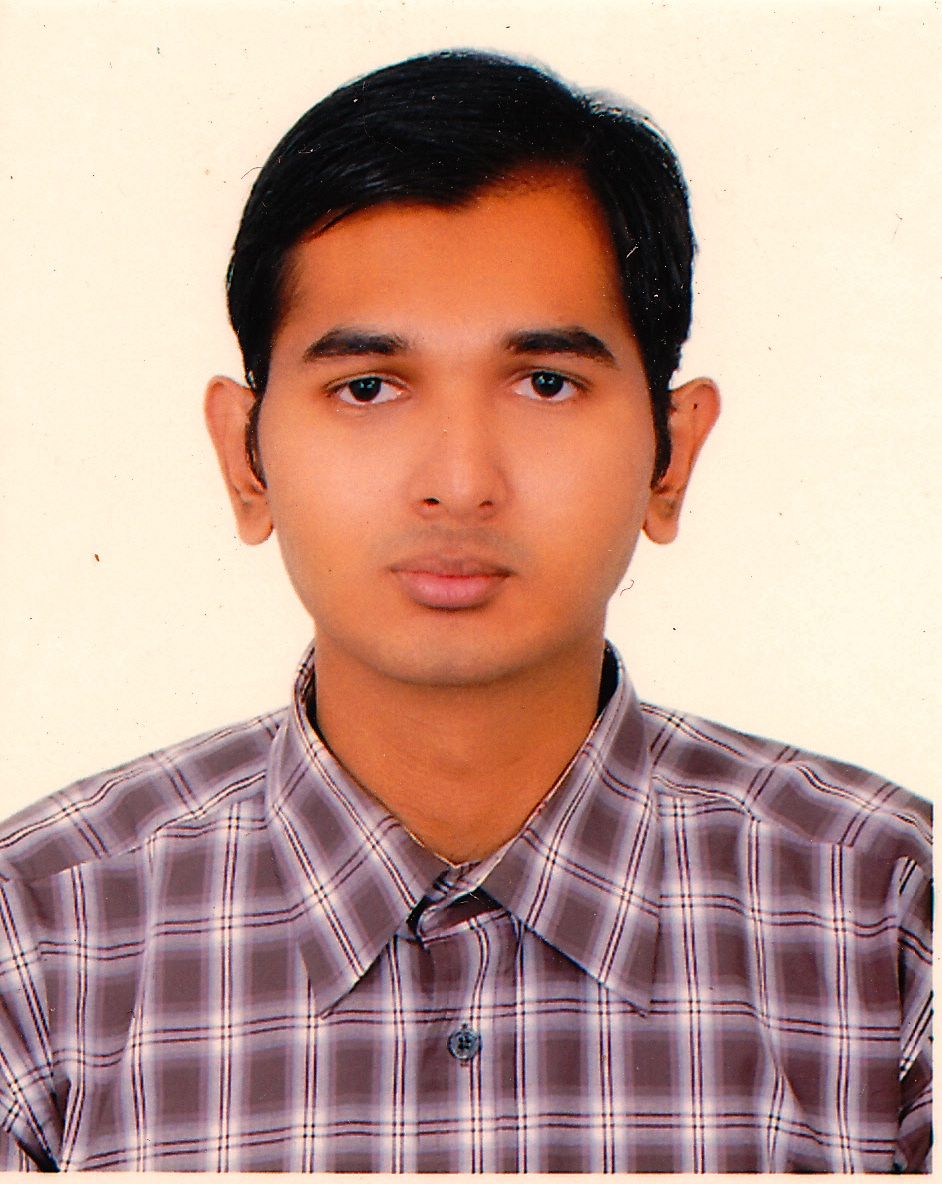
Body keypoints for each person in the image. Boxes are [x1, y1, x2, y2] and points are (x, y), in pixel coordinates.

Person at [0, 50, 930, 1173]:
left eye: (545, 382)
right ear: (245, 459)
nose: (458, 481)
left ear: (671, 456)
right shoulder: (36, 938)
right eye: (367, 387)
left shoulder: (893, 914)